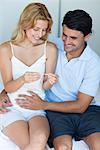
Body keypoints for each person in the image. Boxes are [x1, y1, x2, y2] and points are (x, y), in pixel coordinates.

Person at [16, 9, 100, 150]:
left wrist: (43, 105)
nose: (66, 42)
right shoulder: (51, 45)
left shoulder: (94, 62)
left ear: (87, 36)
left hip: (87, 111)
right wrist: (5, 91)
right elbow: (19, 61)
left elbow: (81, 106)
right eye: (64, 35)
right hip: (57, 111)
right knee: (62, 147)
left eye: (73, 38)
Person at [0, 3, 58, 150]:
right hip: (12, 109)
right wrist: (22, 79)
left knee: (39, 141)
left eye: (44, 30)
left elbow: (44, 86)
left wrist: (50, 82)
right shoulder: (6, 49)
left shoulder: (50, 49)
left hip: (37, 109)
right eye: (36, 29)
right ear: (25, 24)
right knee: (29, 145)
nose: (40, 34)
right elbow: (8, 86)